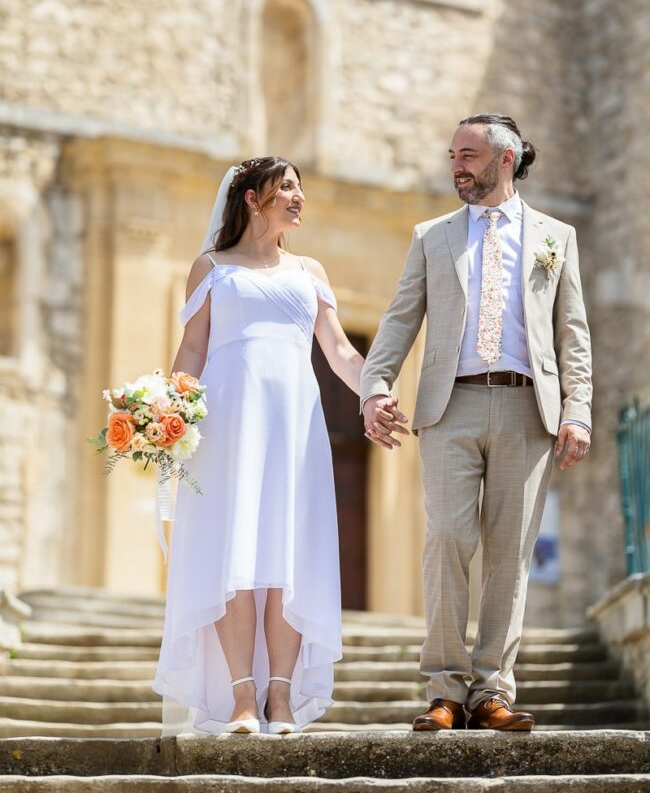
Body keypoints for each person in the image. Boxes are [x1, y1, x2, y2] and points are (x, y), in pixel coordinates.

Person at [361, 114, 592, 732]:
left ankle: (492, 690)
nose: (456, 165)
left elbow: (572, 332)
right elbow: (399, 318)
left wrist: (579, 412)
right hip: (449, 406)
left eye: (468, 154)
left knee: (510, 555)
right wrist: (375, 386)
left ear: (506, 159)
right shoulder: (432, 236)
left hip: (528, 409)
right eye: (453, 155)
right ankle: (444, 689)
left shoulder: (555, 237)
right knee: (446, 541)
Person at [153, 156, 397, 736]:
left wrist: (375, 393)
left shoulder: (310, 270)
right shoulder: (211, 267)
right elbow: (192, 349)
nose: (298, 196)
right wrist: (170, 413)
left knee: (289, 553)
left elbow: (339, 350)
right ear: (252, 199)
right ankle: (241, 697)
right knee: (234, 551)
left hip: (295, 422)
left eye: (299, 187)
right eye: (285, 187)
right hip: (227, 421)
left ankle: (281, 698)